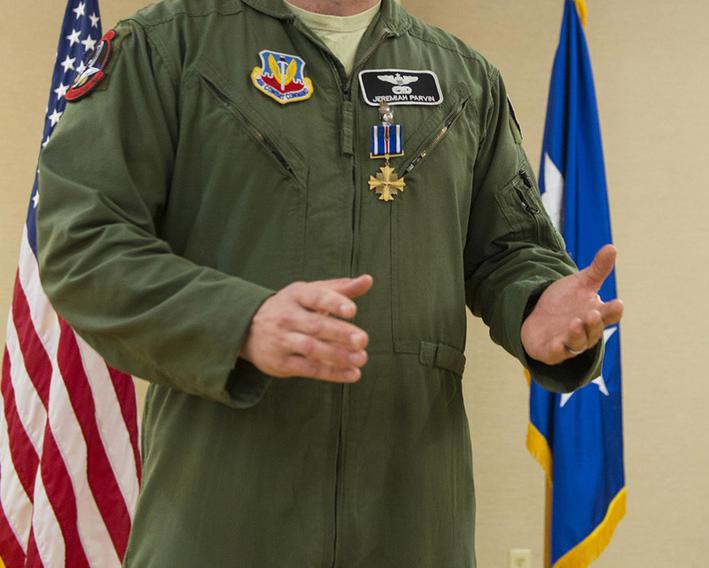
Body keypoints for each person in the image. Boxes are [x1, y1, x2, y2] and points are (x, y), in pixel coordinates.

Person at [36, 0, 624, 565]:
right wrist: (238, 321)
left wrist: (537, 301)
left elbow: (510, 252)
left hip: (412, 523)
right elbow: (83, 240)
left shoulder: (464, 78)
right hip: (218, 519)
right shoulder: (166, 47)